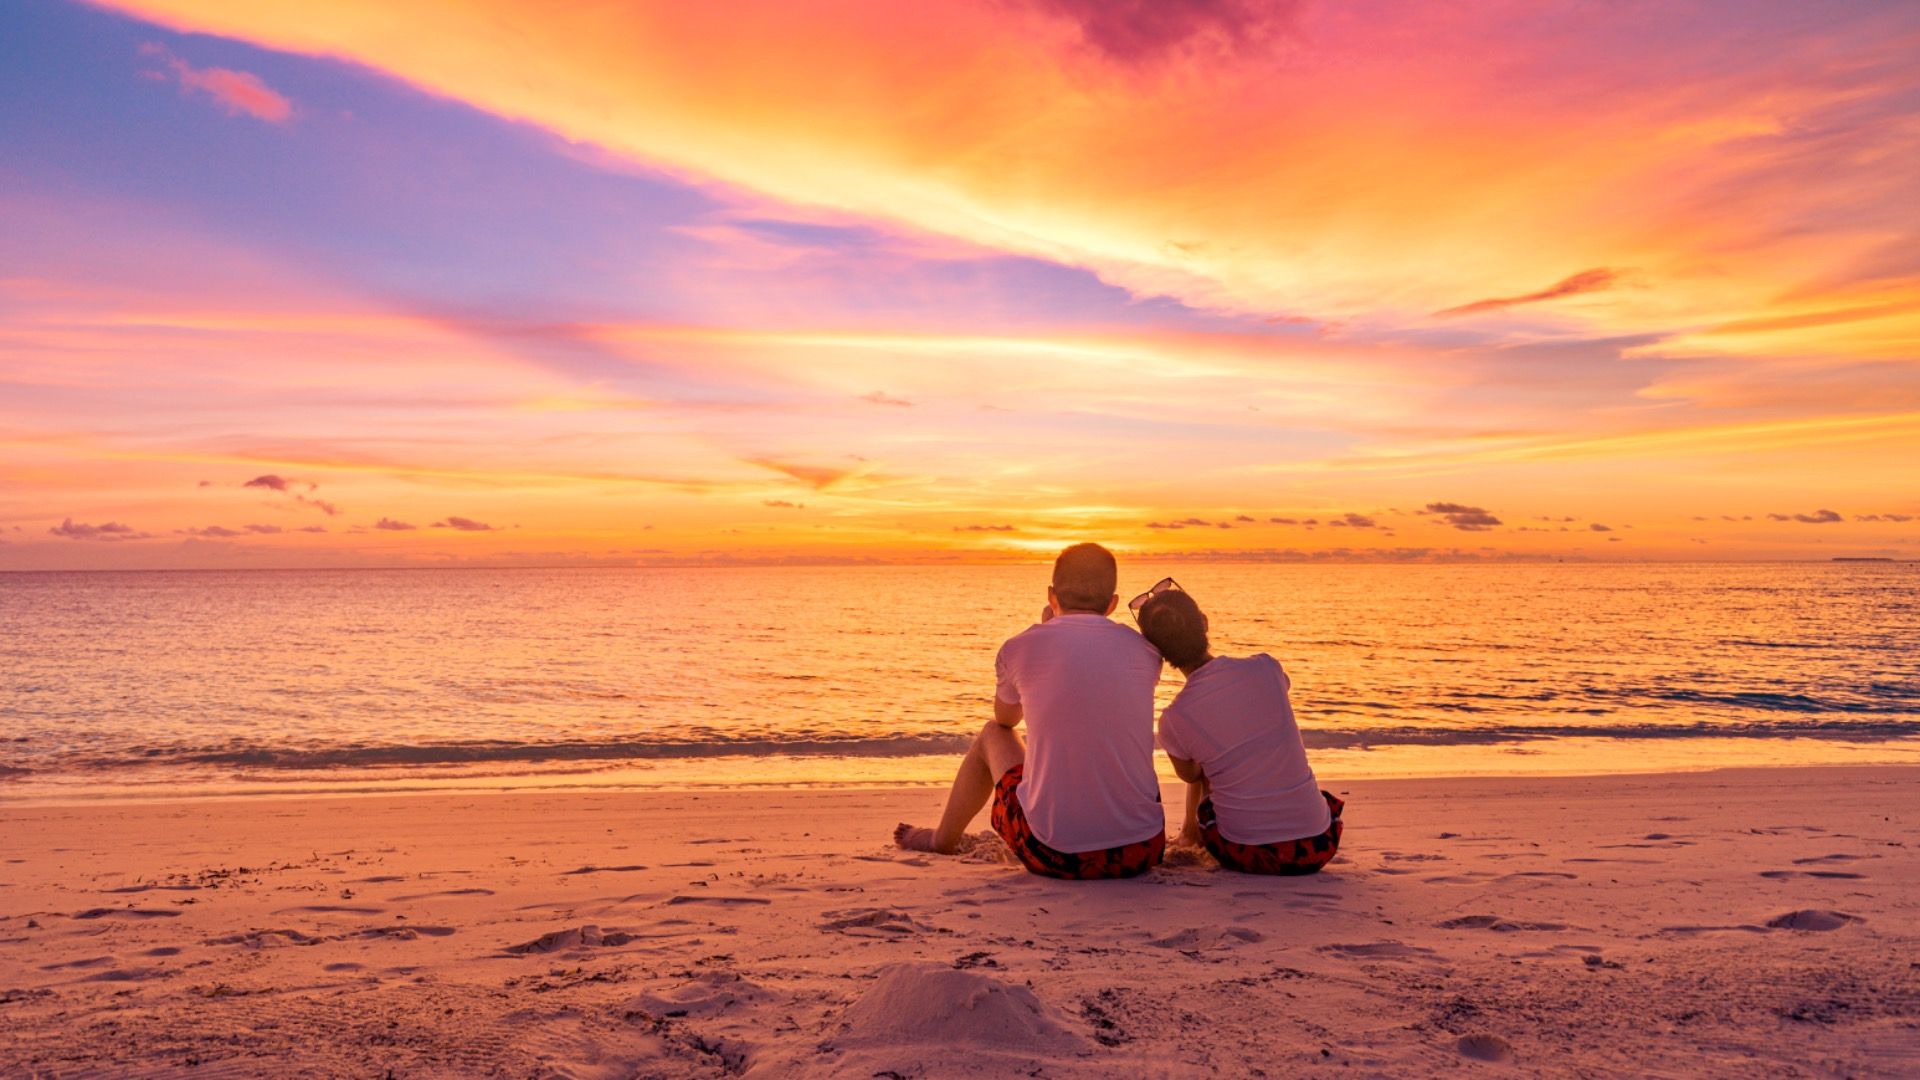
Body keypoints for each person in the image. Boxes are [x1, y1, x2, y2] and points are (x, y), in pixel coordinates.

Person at [894, 543, 1167, 879]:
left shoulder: (1019, 647)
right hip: (1142, 850)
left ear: (1052, 595)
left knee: (991, 735)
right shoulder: (1146, 650)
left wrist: (1044, 630)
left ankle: (941, 839)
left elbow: (1006, 719)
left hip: (1053, 854)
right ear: (1111, 604)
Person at [1134, 581, 1343, 875]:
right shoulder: (1266, 668)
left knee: (1204, 758)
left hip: (1247, 852)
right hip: (1318, 844)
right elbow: (1281, 691)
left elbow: (1191, 775)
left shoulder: (1175, 718)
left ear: (1156, 652)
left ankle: (1190, 834)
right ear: (1204, 623)